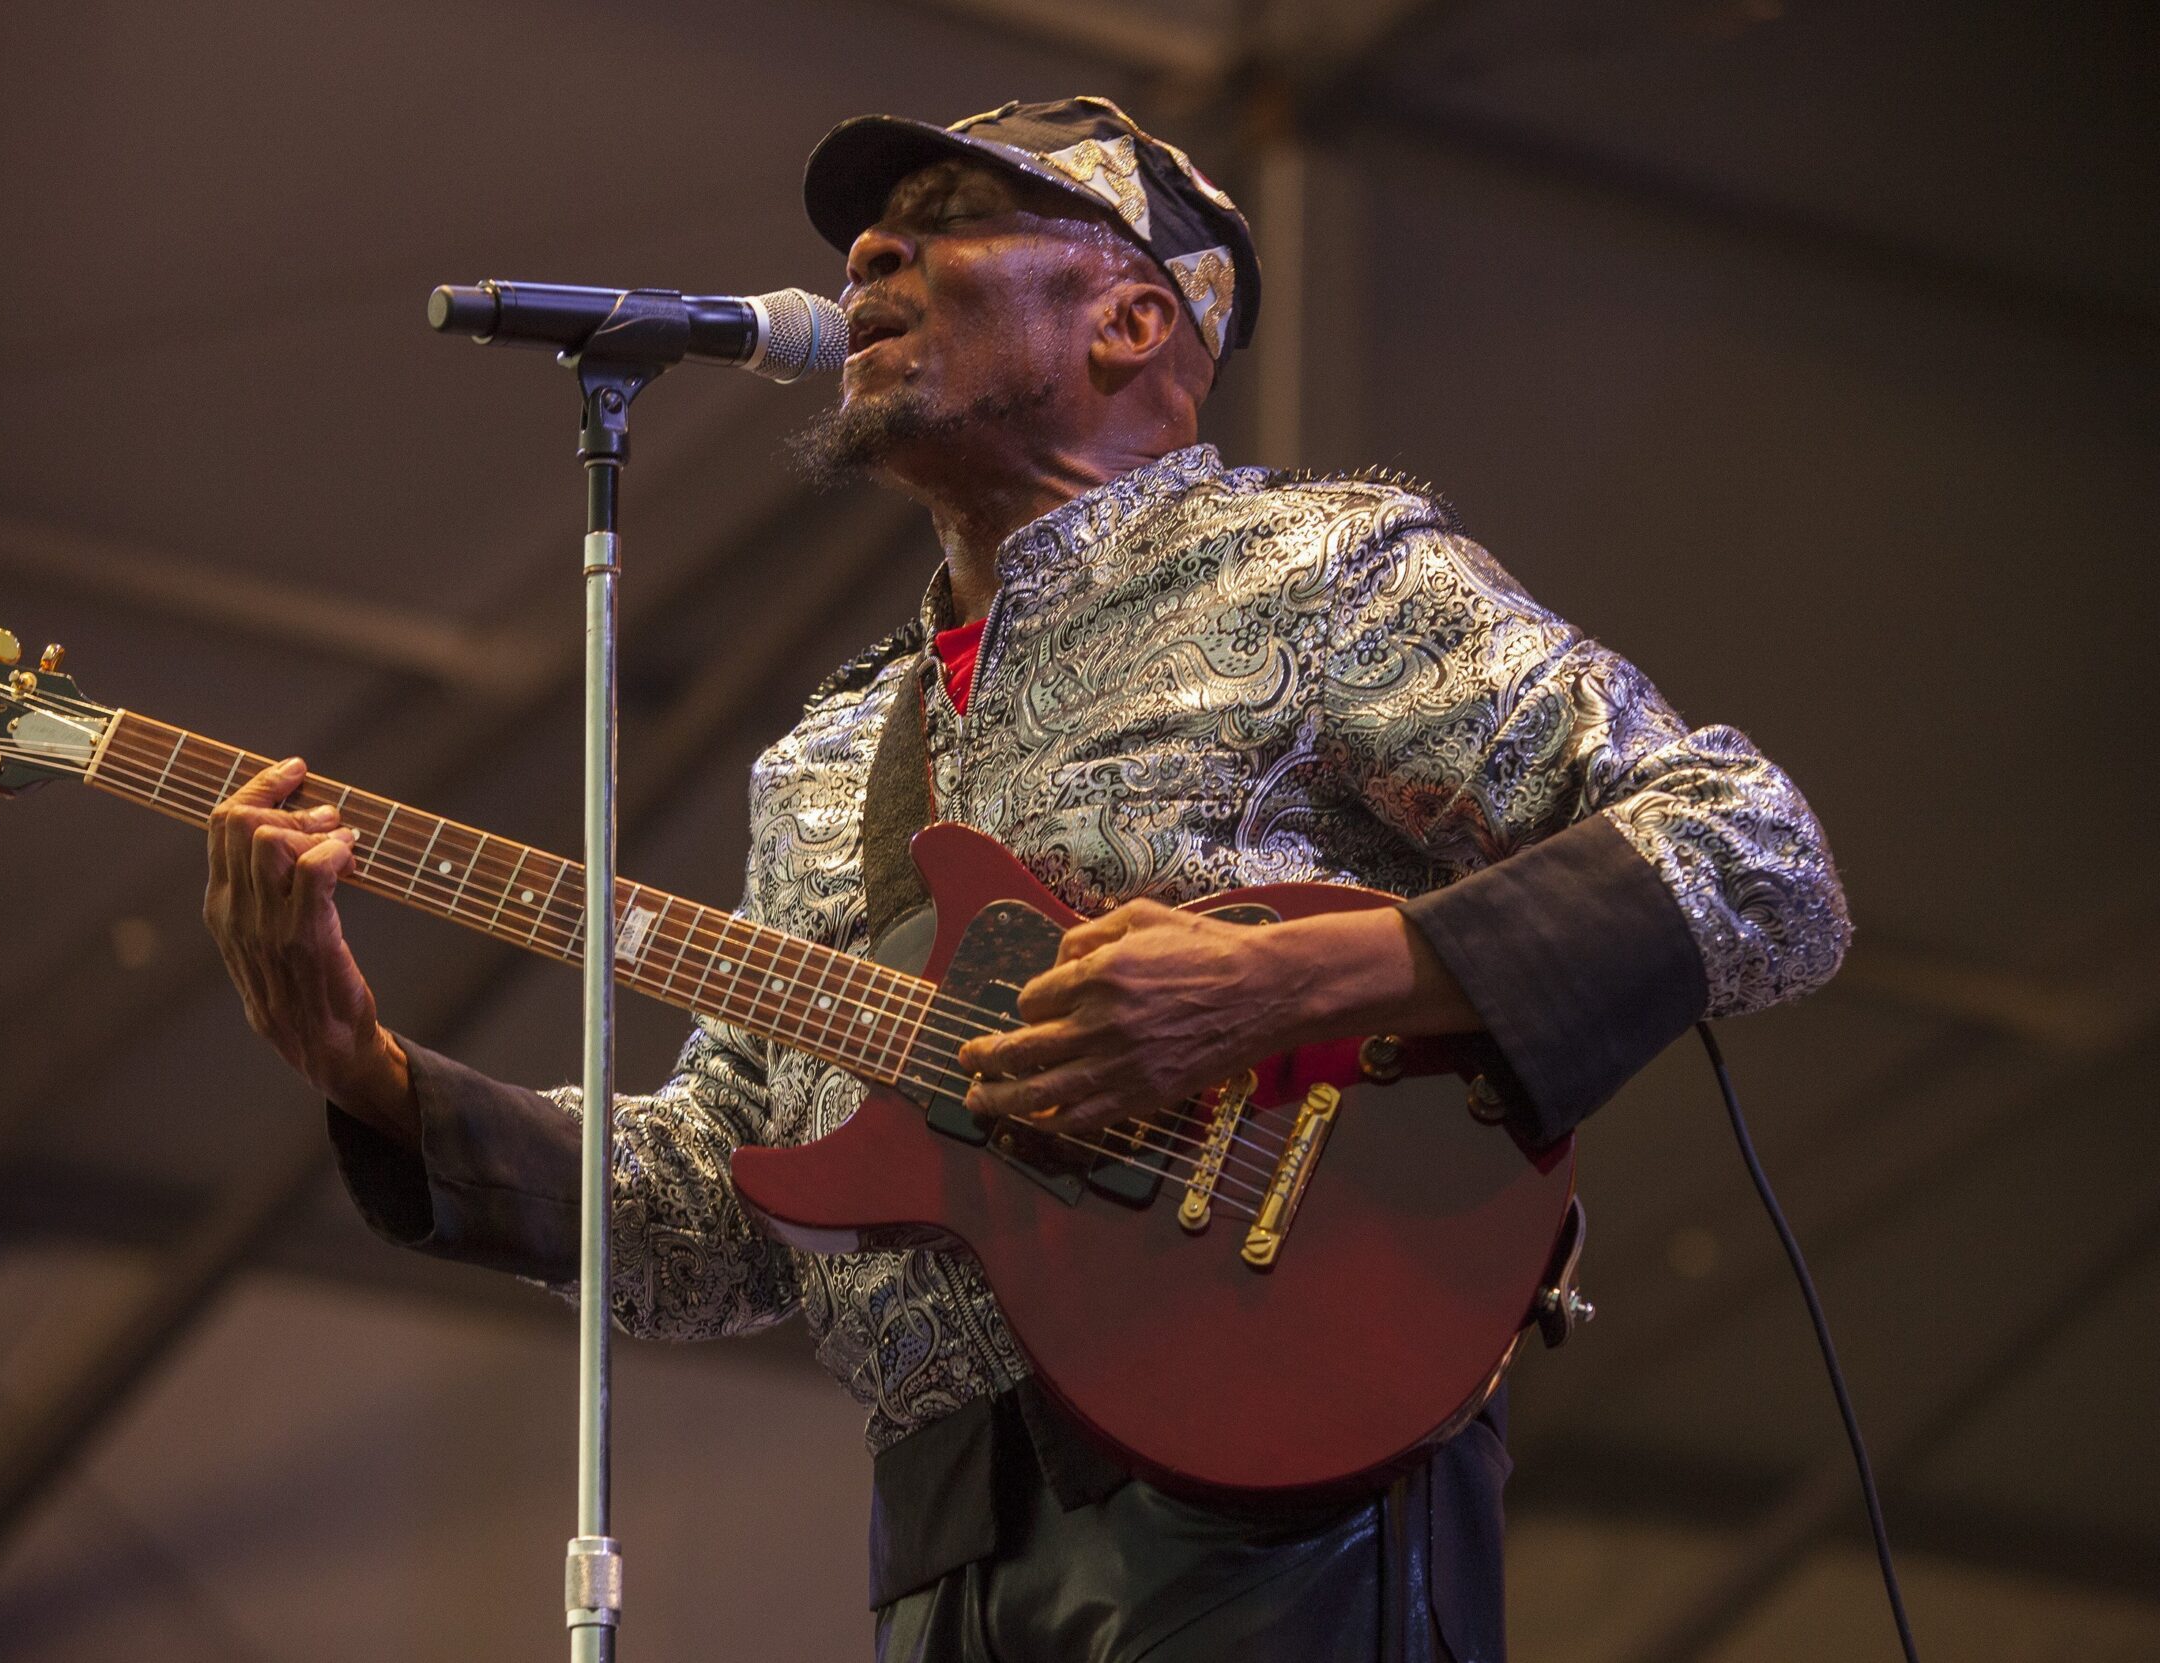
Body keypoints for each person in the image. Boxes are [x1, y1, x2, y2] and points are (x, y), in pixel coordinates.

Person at [201, 96, 1849, 1663]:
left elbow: (1754, 856)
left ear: (1130, 320)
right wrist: (380, 1081)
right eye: (868, 246)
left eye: (939, 227)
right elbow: (725, 1220)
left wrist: (1282, 984)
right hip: (942, 1547)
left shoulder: (1326, 580)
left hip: (1280, 1505)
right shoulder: (834, 755)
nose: (865, 265)